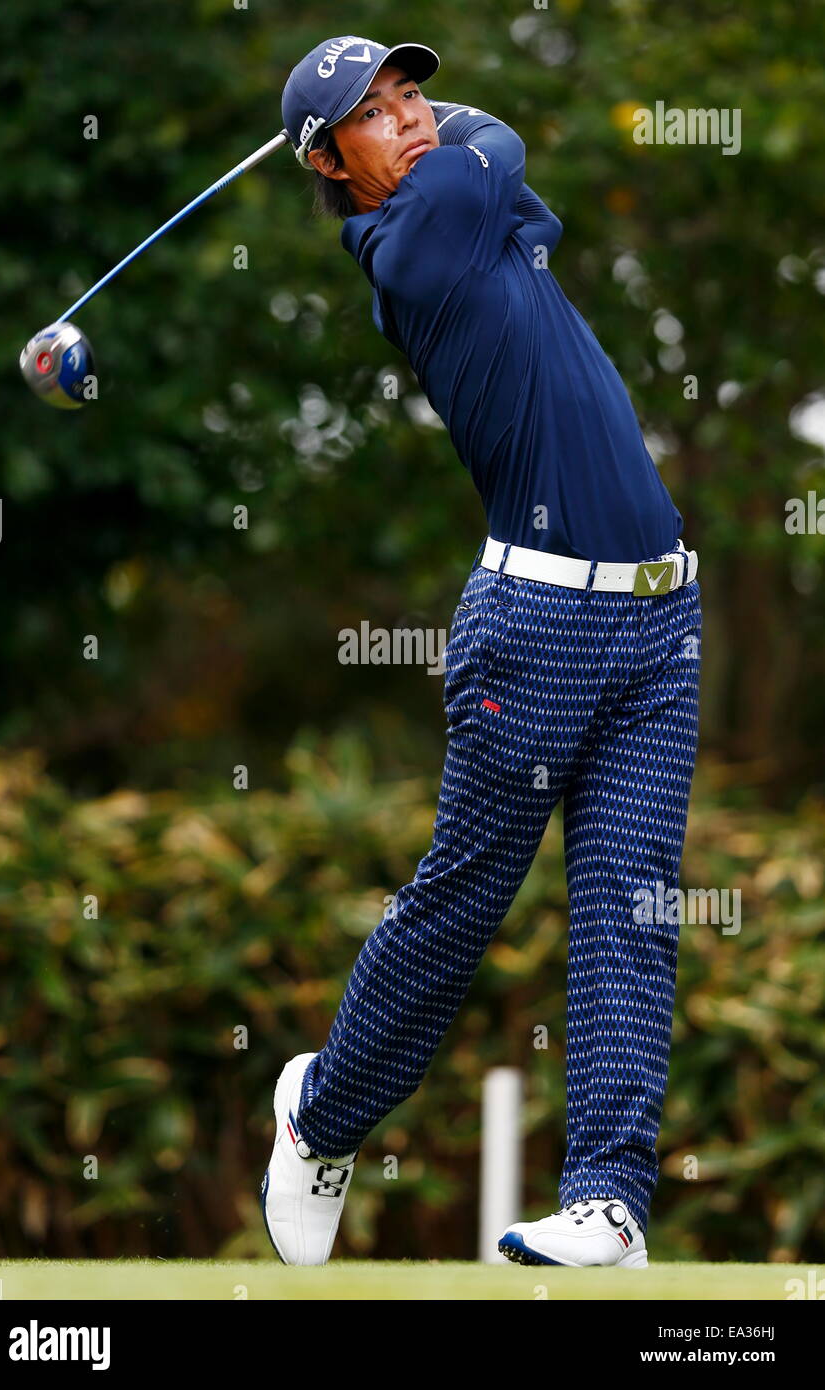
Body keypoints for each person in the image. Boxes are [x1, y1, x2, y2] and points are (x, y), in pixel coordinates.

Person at [261, 34, 702, 1269]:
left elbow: (504, 166)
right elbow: (494, 142)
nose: (405, 118)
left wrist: (393, 114)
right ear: (329, 163)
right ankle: (319, 1113)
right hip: (538, 628)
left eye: (407, 94)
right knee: (464, 901)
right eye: (372, 113)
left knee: (629, 906)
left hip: (662, 617)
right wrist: (450, 134)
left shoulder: (463, 207)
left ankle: (609, 1203)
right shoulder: (413, 240)